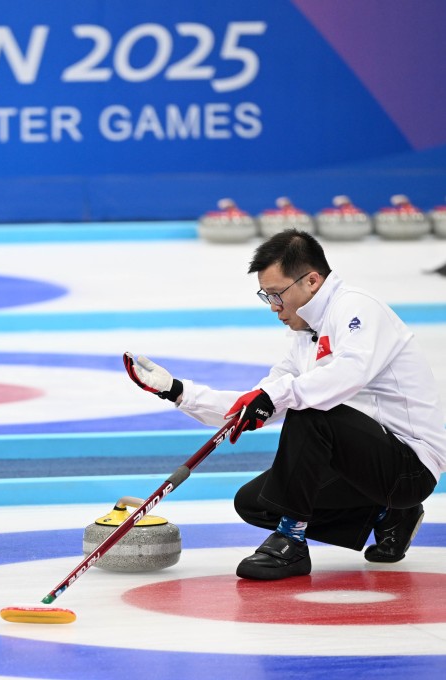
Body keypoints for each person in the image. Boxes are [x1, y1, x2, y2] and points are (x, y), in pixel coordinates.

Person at [124, 229, 446, 580]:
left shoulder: (356, 308)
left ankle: (292, 543)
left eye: (277, 295)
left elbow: (349, 373)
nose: (274, 307)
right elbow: (256, 403)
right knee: (255, 502)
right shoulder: (304, 336)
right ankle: (388, 515)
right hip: (360, 466)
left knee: (310, 411)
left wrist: (276, 397)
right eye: (267, 296)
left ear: (311, 280)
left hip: (409, 466)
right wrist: (178, 391)